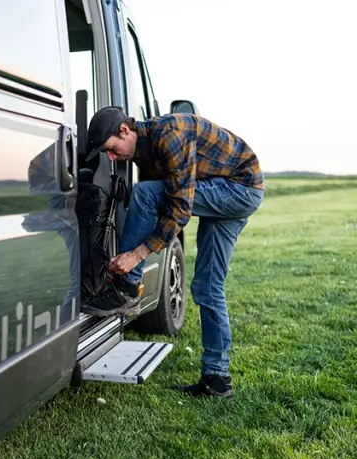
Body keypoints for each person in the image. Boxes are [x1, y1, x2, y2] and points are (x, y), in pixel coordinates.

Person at [83, 106, 265, 398]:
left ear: (125, 131)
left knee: (145, 193)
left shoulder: (169, 135)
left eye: (112, 149)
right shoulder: (143, 152)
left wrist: (135, 256)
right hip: (229, 189)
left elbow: (180, 209)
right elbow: (164, 206)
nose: (112, 157)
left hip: (240, 188)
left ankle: (128, 288)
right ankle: (216, 380)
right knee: (207, 287)